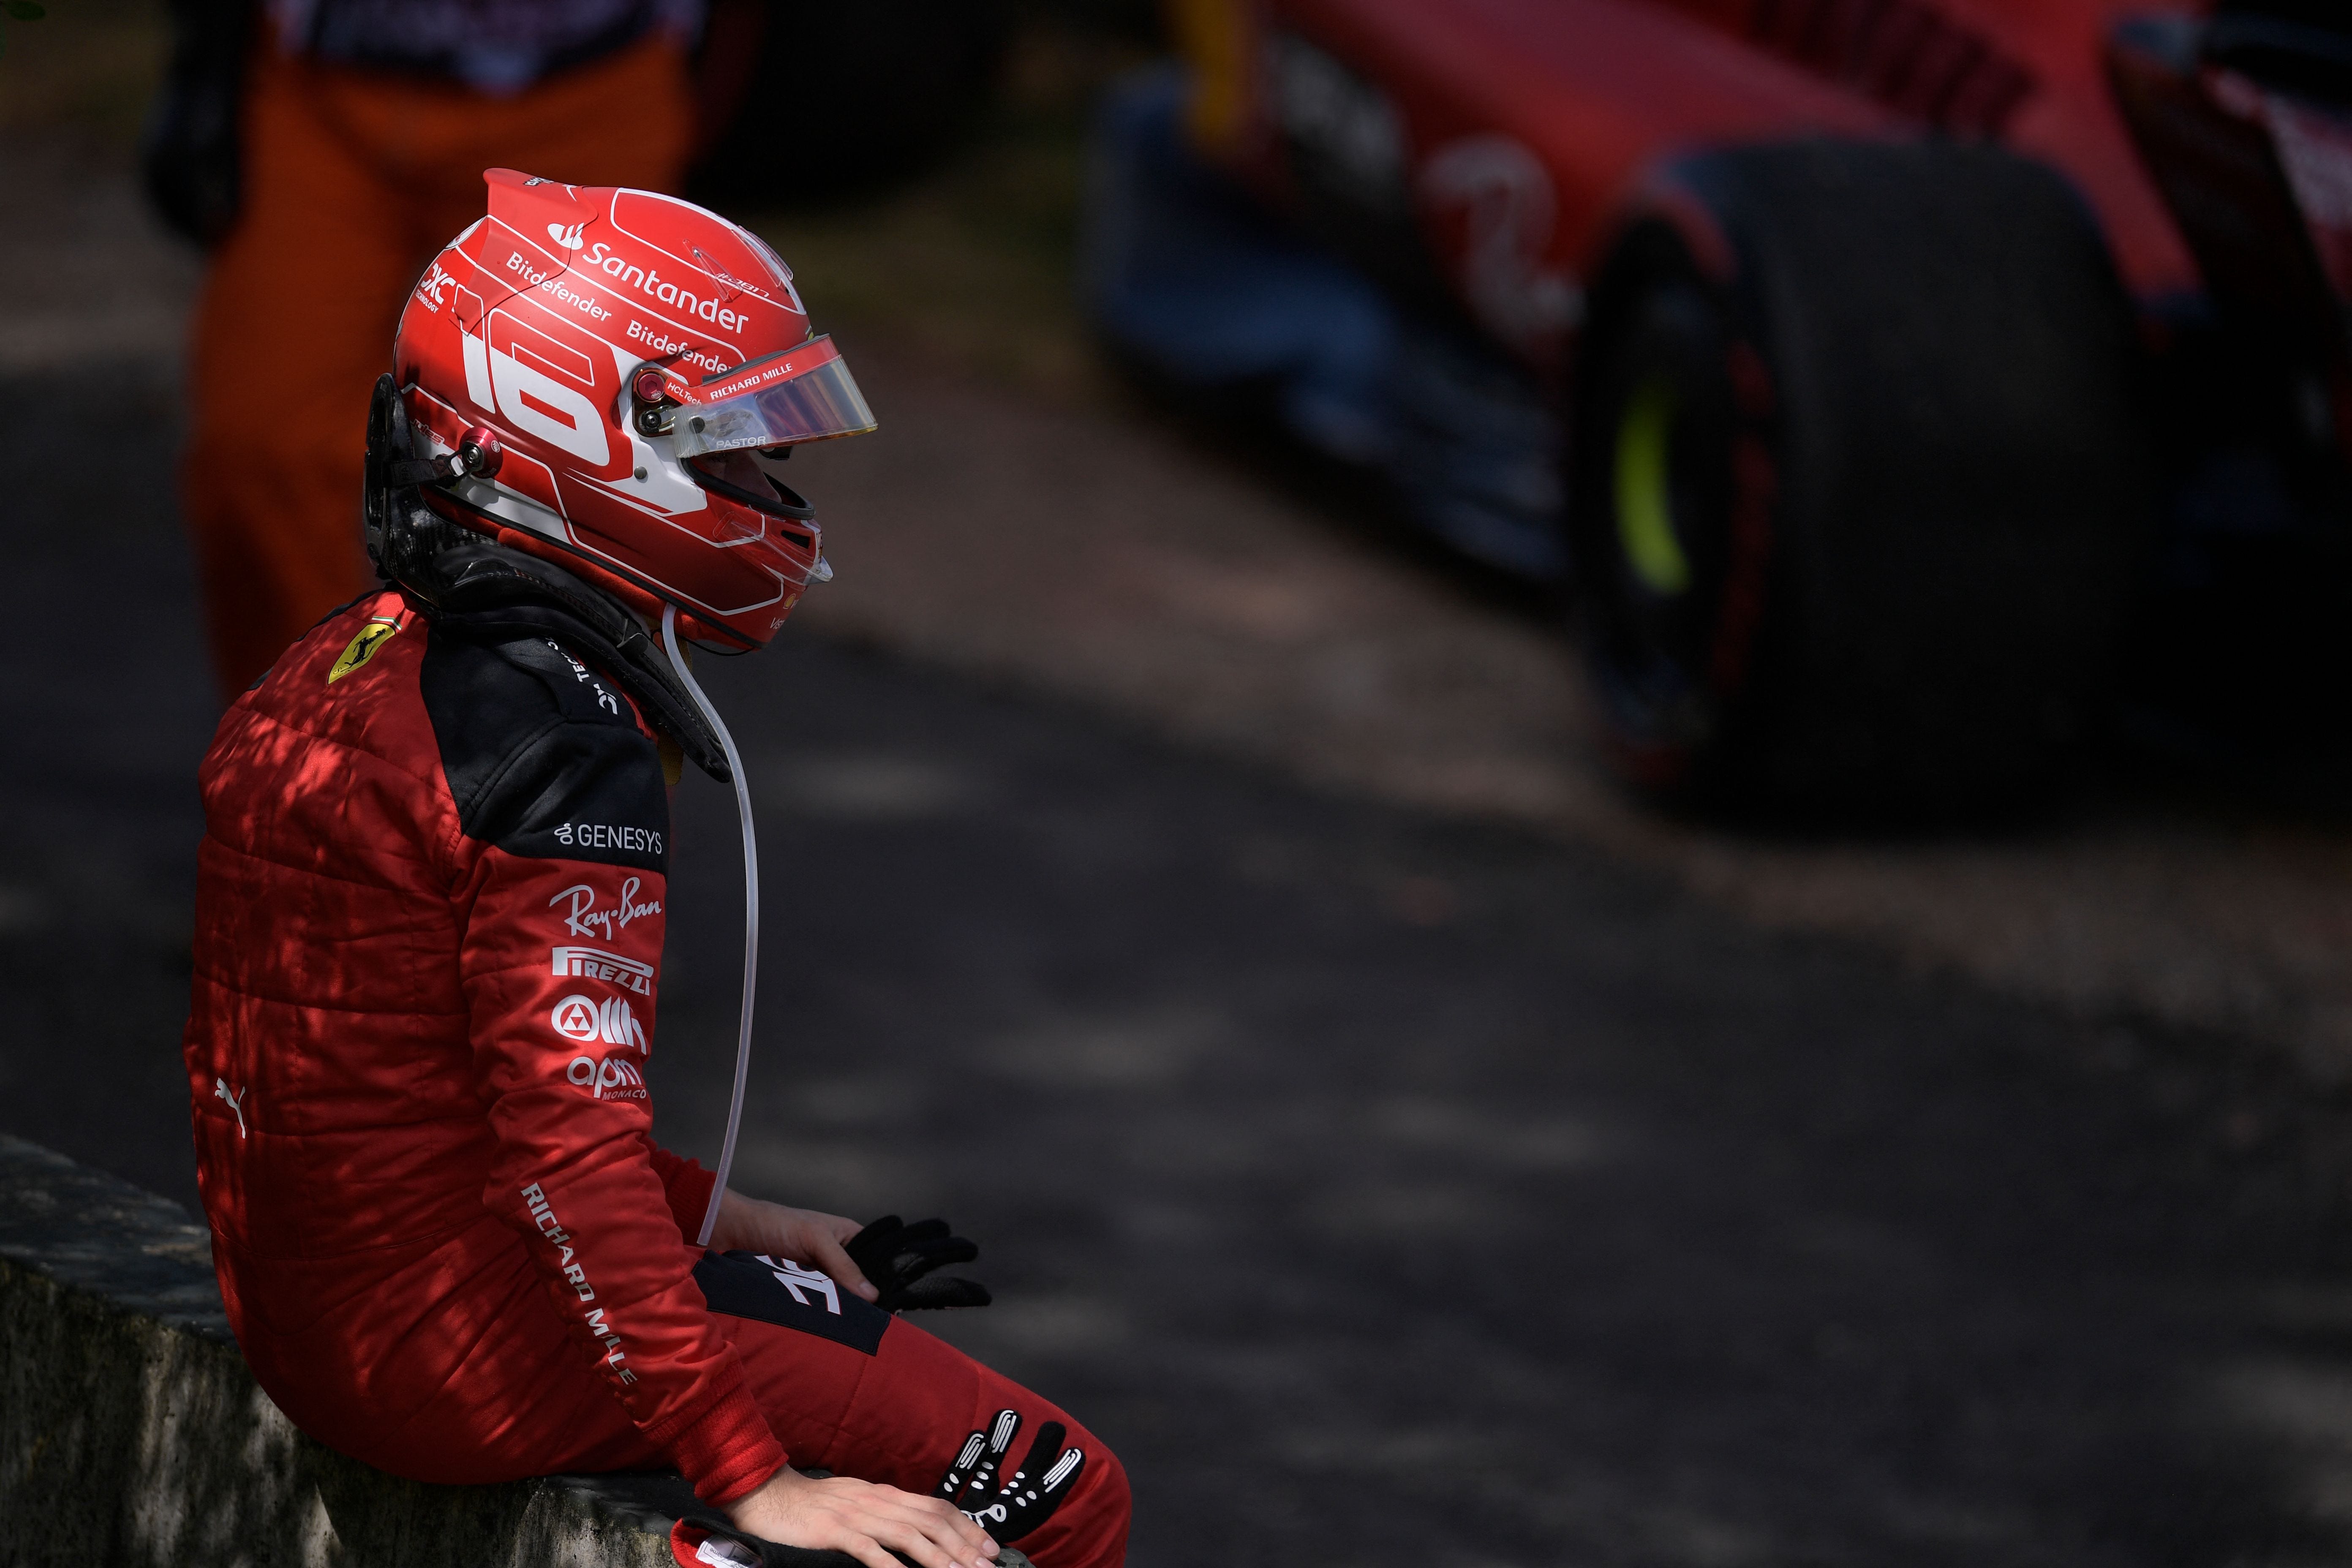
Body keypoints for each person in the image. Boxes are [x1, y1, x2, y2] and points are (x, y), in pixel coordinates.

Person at [179, 170, 1131, 1568]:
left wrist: (751, 1225)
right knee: (1059, 1495)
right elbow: (565, 1152)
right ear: (578, 429)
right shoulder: (565, 754)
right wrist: (754, 1484)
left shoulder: (342, 657)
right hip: (453, 1351)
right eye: (733, 445)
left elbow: (414, 1106)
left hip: (322, 1323)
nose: (772, 488)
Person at [146, 0, 703, 700]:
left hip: (593, 91)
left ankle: (578, 794)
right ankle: (304, 761)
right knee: (260, 451)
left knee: (602, 503)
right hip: (328, 93)